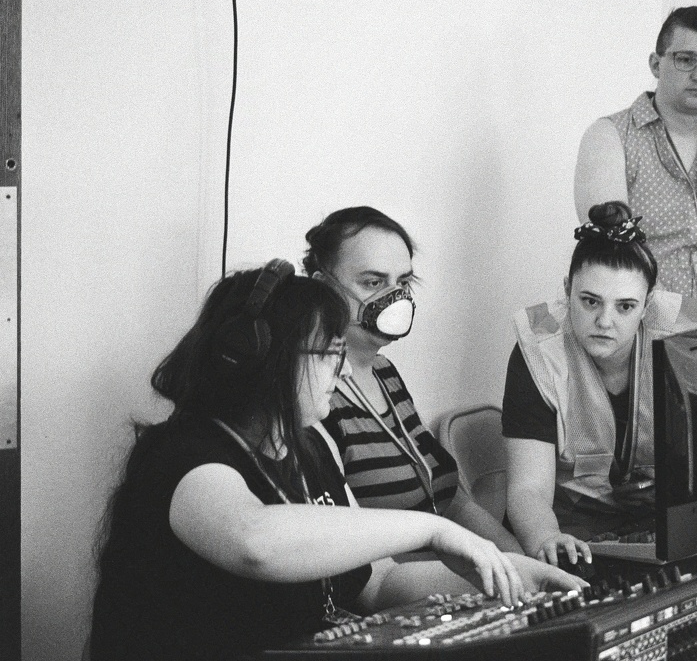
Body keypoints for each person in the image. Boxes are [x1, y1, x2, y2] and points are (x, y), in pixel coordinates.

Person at [89, 260, 582, 661]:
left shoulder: (314, 446)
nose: (342, 369)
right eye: (328, 353)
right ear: (266, 360)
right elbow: (253, 540)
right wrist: (432, 530)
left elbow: (378, 580)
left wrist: (509, 570)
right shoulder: (183, 454)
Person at [303, 206, 523, 553]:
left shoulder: (384, 372)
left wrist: (515, 558)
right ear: (323, 289)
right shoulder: (313, 395)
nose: (395, 298)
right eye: (373, 282)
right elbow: (356, 558)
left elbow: (449, 498)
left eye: (402, 282)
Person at [573, 5, 697, 319]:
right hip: (639, 343)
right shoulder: (610, 139)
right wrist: (691, 339)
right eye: (686, 59)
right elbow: (616, 266)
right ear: (656, 63)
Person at [502, 202, 666, 566]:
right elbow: (528, 490)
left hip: (659, 521)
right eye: (590, 301)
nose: (604, 321)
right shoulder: (537, 354)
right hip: (570, 527)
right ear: (567, 290)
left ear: (647, 305)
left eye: (625, 307)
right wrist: (548, 539)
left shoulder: (682, 340)